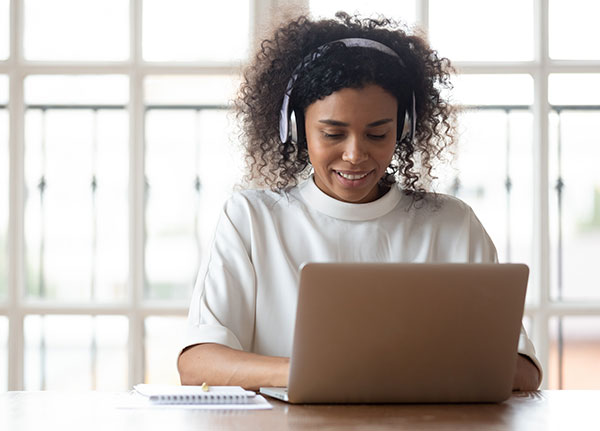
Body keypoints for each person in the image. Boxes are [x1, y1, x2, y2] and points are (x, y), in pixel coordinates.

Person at [177, 12, 542, 391]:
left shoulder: (452, 223)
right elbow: (198, 364)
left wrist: (374, 372)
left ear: (403, 130)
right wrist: (316, 372)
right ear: (296, 129)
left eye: (378, 134)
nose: (355, 154)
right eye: (333, 133)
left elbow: (523, 371)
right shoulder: (251, 219)